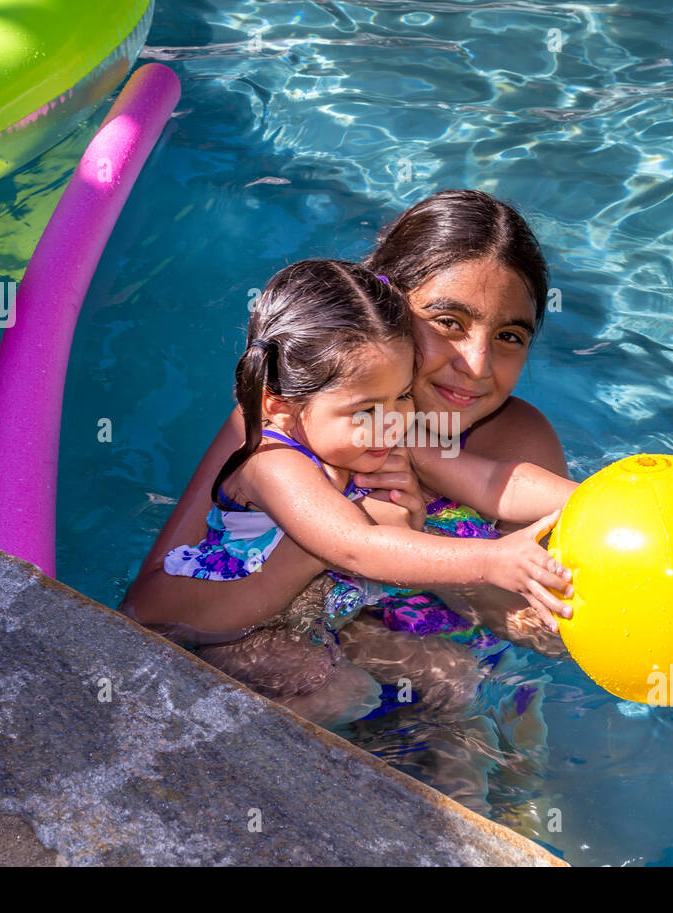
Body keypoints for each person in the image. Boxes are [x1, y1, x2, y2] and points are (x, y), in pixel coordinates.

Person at [145, 257, 575, 727]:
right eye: (367, 408)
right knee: (342, 694)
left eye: (403, 395)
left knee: (455, 675)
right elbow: (356, 545)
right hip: (228, 632)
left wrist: (594, 498)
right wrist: (492, 560)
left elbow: (492, 481)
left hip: (316, 620)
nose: (392, 422)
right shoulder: (272, 462)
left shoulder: (380, 429)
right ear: (280, 405)